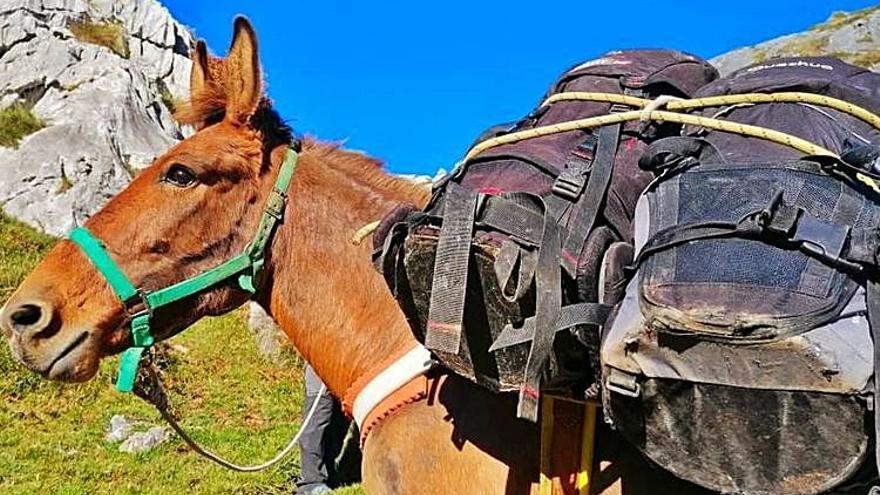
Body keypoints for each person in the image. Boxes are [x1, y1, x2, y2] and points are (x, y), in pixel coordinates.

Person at [296, 364, 351, 495]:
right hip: (321, 365)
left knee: (339, 423)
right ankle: (310, 483)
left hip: (345, 367)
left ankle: (328, 475)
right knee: (317, 422)